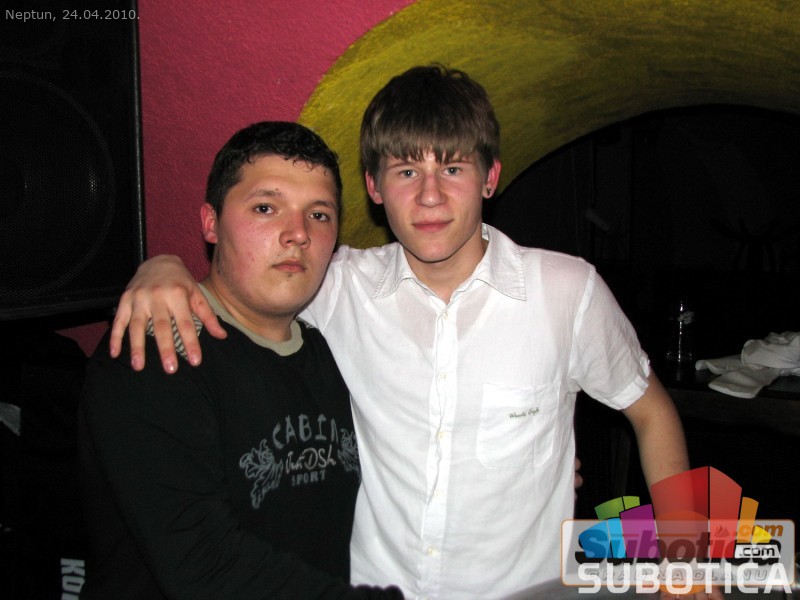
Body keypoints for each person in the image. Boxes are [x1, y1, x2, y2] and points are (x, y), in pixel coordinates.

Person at [108, 67, 713, 599]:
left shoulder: (566, 292)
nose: (429, 195)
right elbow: (245, 278)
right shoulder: (335, 286)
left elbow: (651, 412)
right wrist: (162, 267)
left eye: (452, 167)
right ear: (374, 188)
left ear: (490, 176)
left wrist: (687, 561)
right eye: (405, 170)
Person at [79, 121, 403, 599]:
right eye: (266, 208)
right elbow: (202, 564)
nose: (297, 234)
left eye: (319, 214)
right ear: (211, 223)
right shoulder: (155, 351)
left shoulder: (329, 349)